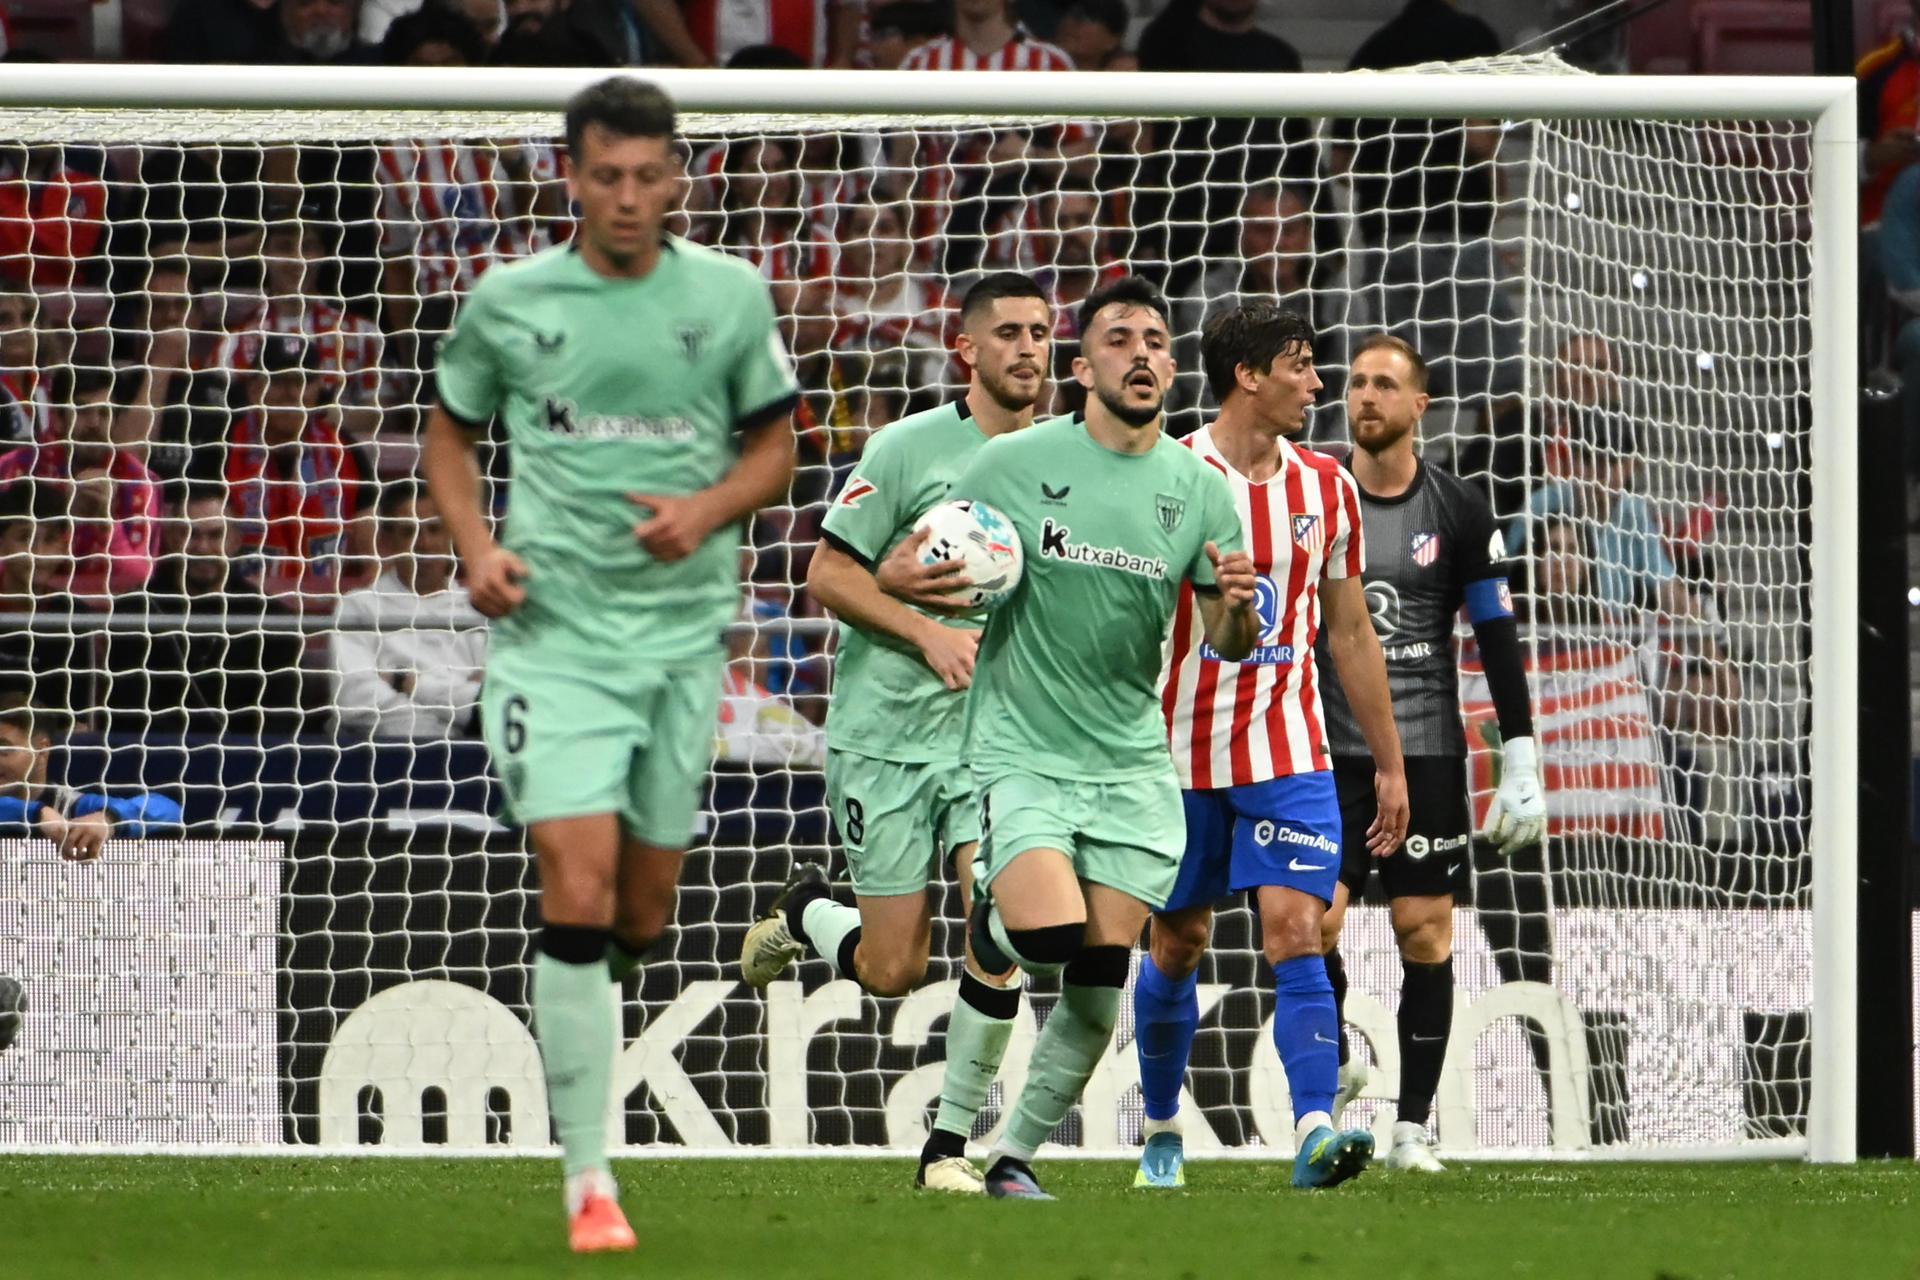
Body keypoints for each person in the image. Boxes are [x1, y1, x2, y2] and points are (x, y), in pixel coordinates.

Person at [420, 77, 799, 1252]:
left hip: (683, 643)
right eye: (606, 176)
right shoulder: (512, 299)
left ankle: (599, 996)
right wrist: (477, 546)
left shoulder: (728, 296)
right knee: (574, 888)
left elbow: (777, 444)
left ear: (677, 176)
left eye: (649, 176)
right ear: (571, 177)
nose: (628, 198)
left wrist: (707, 508)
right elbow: (449, 431)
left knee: (642, 908)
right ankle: (590, 1176)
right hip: (555, 641)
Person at [925, 276, 1254, 1200]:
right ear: (1081, 367)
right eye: (1119, 339)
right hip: (1023, 748)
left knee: (1102, 971)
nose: (1142, 353)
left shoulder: (1198, 490)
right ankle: (990, 924)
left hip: (1130, 763)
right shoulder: (1012, 464)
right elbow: (926, 557)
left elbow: (1230, 642)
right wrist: (940, 587)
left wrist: (1237, 611)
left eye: (1156, 339)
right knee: (1048, 935)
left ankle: (1012, 1158)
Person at [735, 272, 1052, 1193]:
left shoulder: (1066, 462)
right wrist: (925, 630)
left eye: (1039, 332)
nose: (1027, 349)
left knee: (1000, 924)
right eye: (1008, 334)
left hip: (994, 743)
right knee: (890, 968)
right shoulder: (908, 448)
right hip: (885, 738)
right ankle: (805, 912)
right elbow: (827, 577)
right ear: (968, 350)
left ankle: (948, 1151)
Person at [1131, 304, 1406, 1192]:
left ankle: (1317, 1130)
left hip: (1291, 750)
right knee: (1178, 943)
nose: (1318, 383)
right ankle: (1164, 1125)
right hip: (1177, 756)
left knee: (1297, 927)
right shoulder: (1167, 473)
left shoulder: (1327, 487)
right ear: (1248, 375)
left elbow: (1351, 631)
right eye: (1301, 365)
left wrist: (1390, 762)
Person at [1313, 333, 1545, 1173]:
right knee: (1311, 921)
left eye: (1384, 385)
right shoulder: (1314, 497)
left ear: (1420, 405)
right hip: (1328, 750)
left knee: (1423, 933)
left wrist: (1519, 757)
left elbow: (1496, 637)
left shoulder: (1458, 510)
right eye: (1356, 383)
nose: (1364, 396)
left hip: (1429, 754)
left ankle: (1412, 1129)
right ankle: (1336, 1055)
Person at [101, 482, 312, 737]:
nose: (202, 548)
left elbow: (279, 725)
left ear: (236, 540)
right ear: (170, 537)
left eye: (215, 535)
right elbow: (126, 717)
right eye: (191, 534)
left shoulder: (272, 619)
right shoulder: (133, 612)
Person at [224, 334, 375, 609]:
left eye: (303, 382)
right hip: (244, 612)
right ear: (255, 389)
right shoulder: (223, 448)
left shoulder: (345, 451)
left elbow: (374, 558)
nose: (292, 394)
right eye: (280, 382)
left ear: (318, 389)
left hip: (332, 609)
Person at [331, 480, 487, 741]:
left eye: (434, 530)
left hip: (471, 754)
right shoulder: (358, 606)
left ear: (451, 536)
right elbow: (354, 699)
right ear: (387, 541)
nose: (424, 543)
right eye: (409, 532)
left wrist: (406, 682)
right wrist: (441, 724)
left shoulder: (478, 608)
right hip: (383, 753)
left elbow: (487, 701)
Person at [0, 365, 160, 599]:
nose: (95, 423)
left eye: (104, 413)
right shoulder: (12, 470)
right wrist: (68, 516)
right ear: (58, 418)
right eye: (82, 411)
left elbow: (137, 575)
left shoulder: (138, 481)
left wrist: (107, 523)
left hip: (108, 618)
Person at [0, 696, 183, 861]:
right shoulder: (41, 811)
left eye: (3, 749)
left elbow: (168, 809)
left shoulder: (70, 805)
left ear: (42, 750)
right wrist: (35, 813)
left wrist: (109, 819)